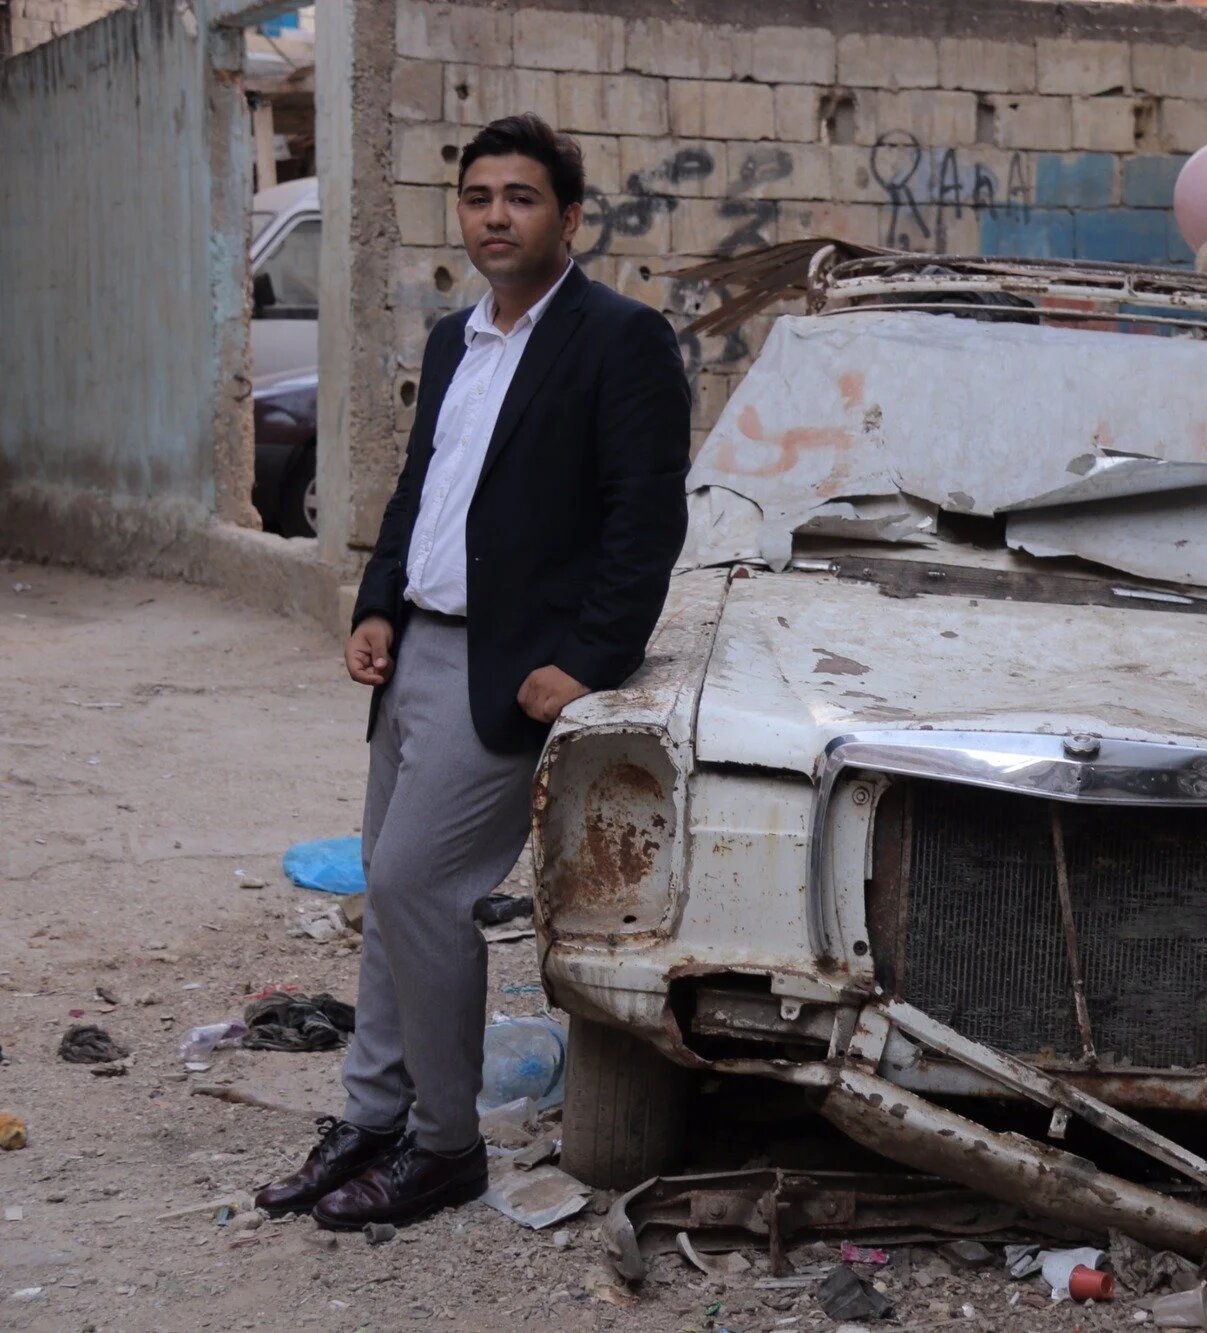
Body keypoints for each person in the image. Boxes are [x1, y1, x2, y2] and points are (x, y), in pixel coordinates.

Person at [255, 113, 691, 1230]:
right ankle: (373, 1118)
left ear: (570, 217)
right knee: (387, 882)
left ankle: (445, 1145)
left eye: (522, 198)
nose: (496, 217)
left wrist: (582, 665)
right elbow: (424, 490)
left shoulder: (620, 339)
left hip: (509, 669)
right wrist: (377, 603)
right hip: (417, 650)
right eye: (479, 197)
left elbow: (644, 525)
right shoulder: (457, 341)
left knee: (419, 886)